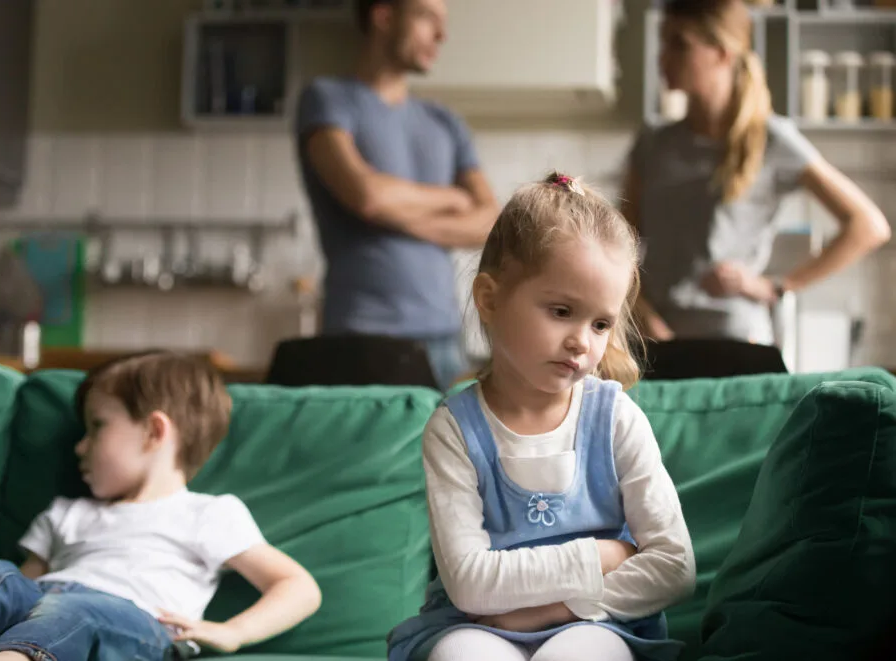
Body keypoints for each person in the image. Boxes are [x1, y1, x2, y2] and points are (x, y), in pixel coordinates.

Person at [386, 173, 696, 661]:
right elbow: (469, 584)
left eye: (600, 323)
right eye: (560, 311)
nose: (583, 341)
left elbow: (675, 567)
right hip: (476, 625)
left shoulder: (616, 419)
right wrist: (599, 555)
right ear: (489, 299)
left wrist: (556, 609)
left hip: (601, 620)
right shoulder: (453, 429)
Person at [0, 351, 321, 661]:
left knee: (77, 610)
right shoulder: (68, 512)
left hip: (130, 622)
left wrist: (233, 631)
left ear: (154, 431)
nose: (79, 447)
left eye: (97, 427)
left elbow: (298, 587)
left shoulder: (209, 514)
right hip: (44, 603)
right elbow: (20, 588)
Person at [624, 0, 891, 345]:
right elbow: (619, 248)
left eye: (679, 44)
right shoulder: (652, 143)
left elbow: (868, 225)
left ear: (722, 53)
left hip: (736, 343)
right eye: (664, 43)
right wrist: (643, 316)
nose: (662, 58)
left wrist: (775, 287)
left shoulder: (772, 140)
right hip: (654, 343)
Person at [294, 0, 500, 390]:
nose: (441, 36)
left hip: (445, 336)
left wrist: (395, 213)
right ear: (384, 16)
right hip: (362, 333)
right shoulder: (326, 99)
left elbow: (491, 220)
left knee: (451, 452)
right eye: (427, 18)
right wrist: (452, 198)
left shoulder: (445, 122)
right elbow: (366, 194)